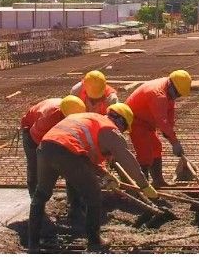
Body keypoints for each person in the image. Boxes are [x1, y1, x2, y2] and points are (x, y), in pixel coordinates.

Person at [28, 103, 157, 252]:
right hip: (67, 151)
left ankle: (33, 244)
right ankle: (95, 242)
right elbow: (127, 159)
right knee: (93, 195)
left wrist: (105, 174)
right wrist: (144, 185)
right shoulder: (110, 129)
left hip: (45, 148)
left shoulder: (89, 120)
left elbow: (85, 159)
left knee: (41, 195)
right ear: (121, 122)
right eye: (124, 129)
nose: (122, 132)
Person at [125, 70, 192, 187]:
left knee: (156, 147)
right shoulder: (158, 95)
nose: (177, 97)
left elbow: (169, 115)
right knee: (145, 153)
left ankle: (158, 181)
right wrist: (175, 142)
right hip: (136, 120)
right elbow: (162, 121)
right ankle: (143, 186)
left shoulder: (169, 91)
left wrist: (172, 137)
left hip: (147, 121)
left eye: (179, 95)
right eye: (177, 94)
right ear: (171, 85)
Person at [20, 95, 86, 197]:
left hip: (52, 130)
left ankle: (74, 202)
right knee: (35, 165)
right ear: (63, 115)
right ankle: (35, 199)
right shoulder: (48, 119)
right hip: (31, 132)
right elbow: (39, 141)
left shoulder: (74, 112)